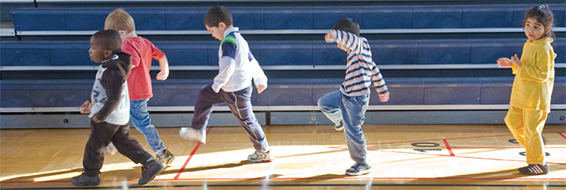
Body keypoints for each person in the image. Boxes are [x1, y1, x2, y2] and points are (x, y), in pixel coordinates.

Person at [179, 6, 272, 162]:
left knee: (247, 120)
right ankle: (198, 129)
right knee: (204, 95)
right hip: (229, 88)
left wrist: (217, 83)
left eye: (212, 31)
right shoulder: (239, 39)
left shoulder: (229, 41)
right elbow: (252, 61)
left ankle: (264, 150)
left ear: (221, 25)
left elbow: (229, 65)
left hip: (236, 91)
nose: (213, 35)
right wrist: (261, 79)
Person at [71, 30, 164, 186]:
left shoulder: (112, 71)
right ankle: (150, 163)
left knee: (95, 145)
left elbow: (113, 97)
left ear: (106, 52)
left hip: (109, 116)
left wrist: (101, 115)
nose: (90, 51)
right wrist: (90, 101)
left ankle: (91, 175)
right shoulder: (112, 64)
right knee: (124, 143)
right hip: (117, 115)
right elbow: (104, 90)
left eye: (93, 47)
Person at [317, 18, 390, 176]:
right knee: (323, 102)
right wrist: (382, 89)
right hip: (345, 93)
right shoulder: (356, 52)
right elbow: (374, 69)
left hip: (357, 99)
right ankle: (340, 120)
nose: (338, 45)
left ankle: (363, 163)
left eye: (339, 40)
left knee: (353, 131)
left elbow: (351, 39)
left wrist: (334, 34)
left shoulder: (361, 44)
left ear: (347, 37)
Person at [104, 8, 174, 166]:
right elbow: (161, 55)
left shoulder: (128, 43)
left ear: (121, 32)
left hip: (134, 92)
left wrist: (115, 69)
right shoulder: (144, 42)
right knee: (119, 116)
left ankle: (161, 151)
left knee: (141, 123)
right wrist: (165, 71)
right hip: (139, 90)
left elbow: (132, 61)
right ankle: (111, 143)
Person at [497, 4, 556, 175]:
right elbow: (525, 67)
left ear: (546, 29)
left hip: (536, 99)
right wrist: (512, 64)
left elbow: (542, 75)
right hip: (523, 95)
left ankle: (539, 163)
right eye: (528, 24)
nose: (530, 29)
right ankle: (535, 145)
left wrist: (520, 66)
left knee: (531, 130)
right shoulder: (530, 43)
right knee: (512, 122)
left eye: (536, 26)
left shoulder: (545, 48)